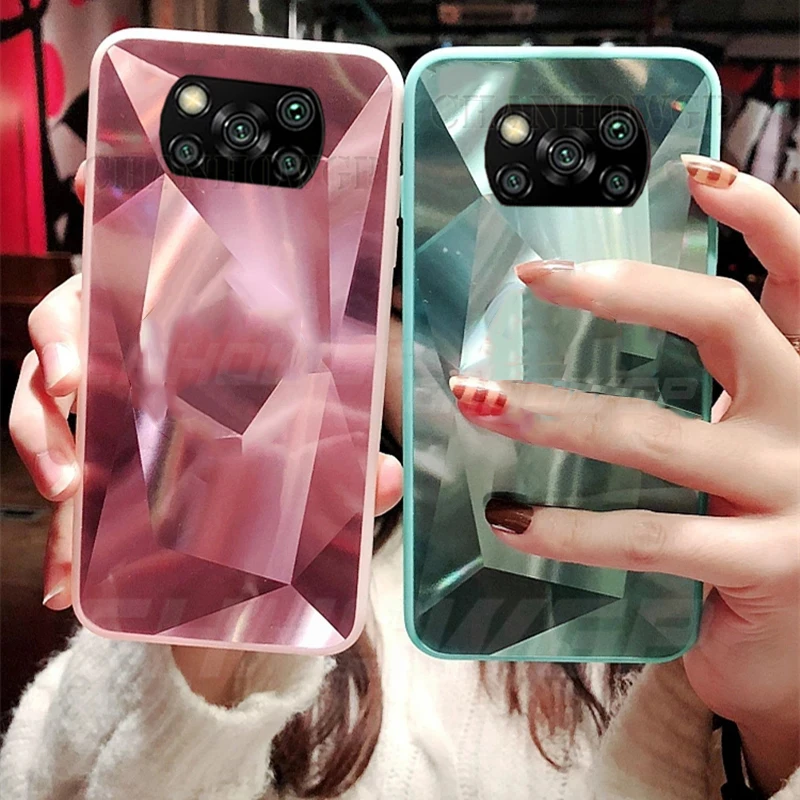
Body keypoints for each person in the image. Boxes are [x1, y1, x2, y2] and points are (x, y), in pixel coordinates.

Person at [2, 155, 798, 800]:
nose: (483, 360)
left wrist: (777, 721)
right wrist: (202, 592)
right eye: (427, 301)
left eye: (550, 299)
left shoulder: (719, 592)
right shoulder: (317, 576)